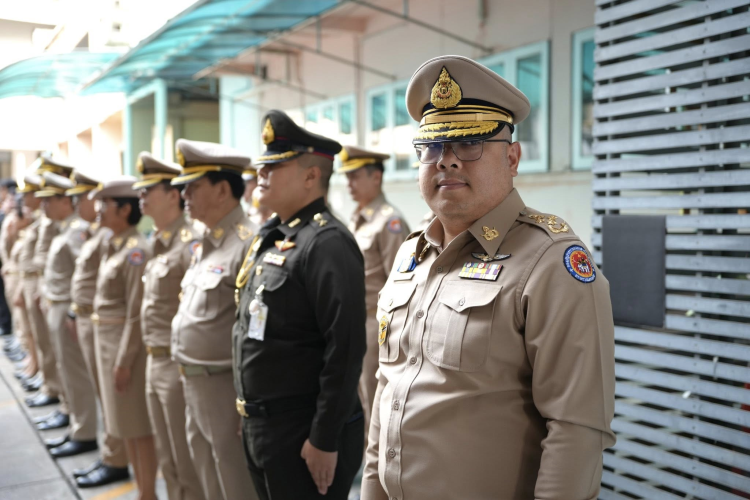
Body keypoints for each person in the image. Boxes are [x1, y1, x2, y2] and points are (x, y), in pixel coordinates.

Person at [361, 56, 615, 499]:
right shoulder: (410, 256)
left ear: (512, 157)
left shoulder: (549, 261)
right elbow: (389, 391)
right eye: (432, 146)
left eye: (470, 143)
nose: (447, 161)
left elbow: (576, 427)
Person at [233, 110, 366, 499]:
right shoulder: (273, 236)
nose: (262, 173)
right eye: (263, 165)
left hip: (302, 430)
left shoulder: (328, 243)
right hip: (264, 424)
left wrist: (324, 438)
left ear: (311, 176)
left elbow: (345, 350)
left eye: (275, 166)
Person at [170, 139, 257, 500]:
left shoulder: (248, 242)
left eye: (193, 187)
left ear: (222, 190)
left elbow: (254, 330)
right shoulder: (206, 241)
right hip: (194, 383)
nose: (185, 195)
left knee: (234, 484)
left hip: (224, 389)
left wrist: (247, 398)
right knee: (208, 479)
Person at [134, 152, 205, 500]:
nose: (141, 197)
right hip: (154, 359)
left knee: (186, 461)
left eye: (149, 190)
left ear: (173, 195)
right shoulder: (158, 240)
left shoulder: (191, 243)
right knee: (167, 458)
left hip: (176, 365)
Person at [92, 177, 157, 499]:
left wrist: (124, 360)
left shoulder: (136, 251)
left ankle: (147, 492)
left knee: (137, 426)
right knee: (124, 424)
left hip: (123, 348)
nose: (98, 210)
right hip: (107, 343)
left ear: (124, 210)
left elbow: (135, 312)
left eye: (105, 204)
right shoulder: (114, 243)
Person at [339, 145, 409, 438]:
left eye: (355, 176)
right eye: (347, 177)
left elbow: (402, 282)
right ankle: (362, 456)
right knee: (356, 398)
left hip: (374, 322)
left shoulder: (390, 222)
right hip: (354, 320)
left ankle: (376, 459)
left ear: (376, 177)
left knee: (374, 398)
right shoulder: (357, 218)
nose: (349, 183)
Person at [67, 170, 130, 488]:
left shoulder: (112, 238)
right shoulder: (99, 234)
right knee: (103, 395)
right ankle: (110, 453)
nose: (80, 204)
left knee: (113, 401)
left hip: (106, 325)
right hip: (93, 322)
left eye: (90, 199)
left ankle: (116, 458)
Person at [34, 171, 99, 458]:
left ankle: (84, 431)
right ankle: (74, 422)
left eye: (50, 200)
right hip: (57, 305)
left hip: (67, 308)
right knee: (65, 370)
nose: (44, 206)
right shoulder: (65, 228)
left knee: (75, 374)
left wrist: (74, 311)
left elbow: (83, 275)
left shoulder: (76, 230)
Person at [19, 162, 66, 413]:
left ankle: (54, 389)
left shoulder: (59, 222)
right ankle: (49, 385)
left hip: (49, 286)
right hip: (39, 281)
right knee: (43, 340)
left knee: (54, 348)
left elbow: (56, 262)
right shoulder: (44, 219)